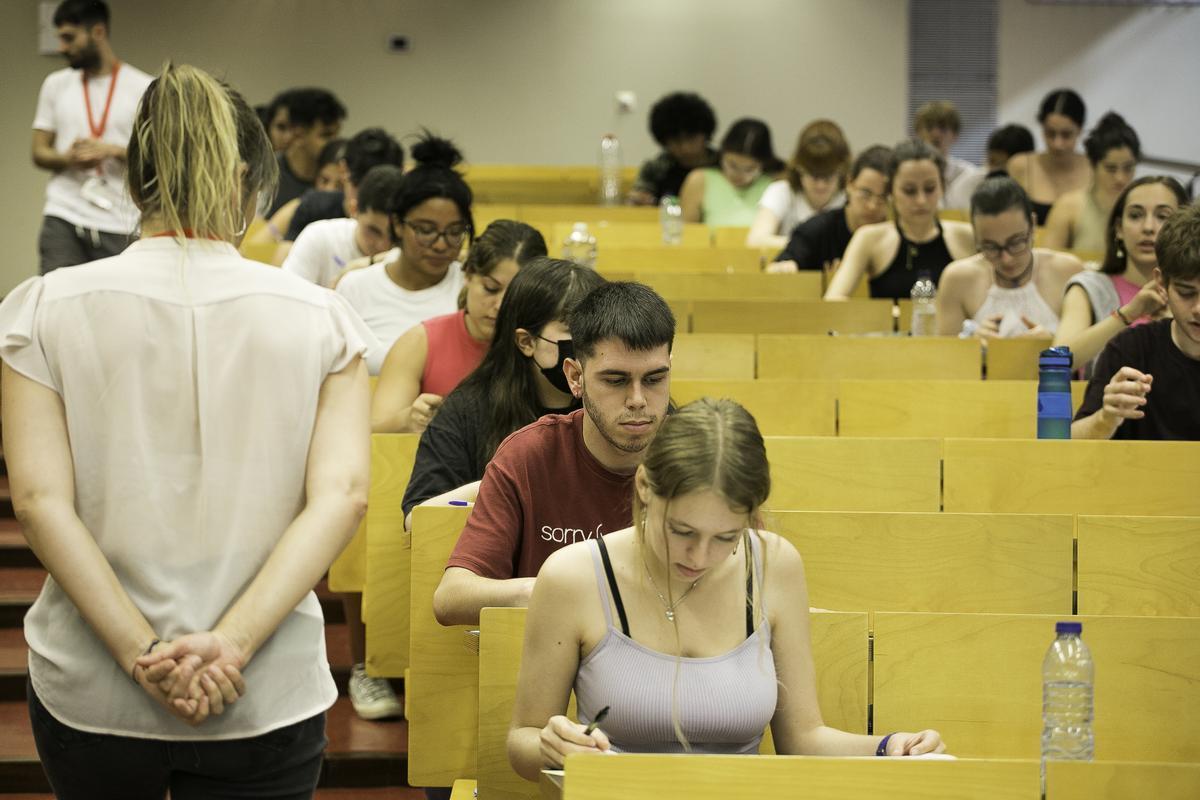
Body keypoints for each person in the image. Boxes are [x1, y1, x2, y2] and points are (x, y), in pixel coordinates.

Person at [0, 63, 370, 799]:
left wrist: (144, 655)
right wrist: (228, 646)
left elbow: (40, 504)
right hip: (260, 687)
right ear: (246, 179)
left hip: (97, 685)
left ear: (133, 179)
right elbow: (344, 497)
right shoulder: (322, 318)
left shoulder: (43, 305)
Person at [507, 398, 946, 776]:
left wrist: (891, 748)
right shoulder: (573, 576)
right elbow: (520, 742)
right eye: (681, 531)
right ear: (643, 487)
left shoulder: (776, 564)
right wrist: (552, 745)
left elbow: (804, 739)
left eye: (725, 538)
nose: (698, 558)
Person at [431, 282, 675, 627]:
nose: (637, 399)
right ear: (576, 377)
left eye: (653, 379)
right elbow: (451, 597)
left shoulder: (698, 458)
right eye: (616, 380)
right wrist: (552, 591)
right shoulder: (528, 455)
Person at [400, 258, 606, 520]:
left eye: (598, 331)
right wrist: (503, 484)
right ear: (526, 341)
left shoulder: (625, 400)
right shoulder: (469, 408)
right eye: (573, 330)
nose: (590, 345)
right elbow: (416, 518)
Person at [372, 220, 547, 433]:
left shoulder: (547, 346)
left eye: (514, 295)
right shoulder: (420, 342)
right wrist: (409, 419)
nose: (500, 306)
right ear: (468, 275)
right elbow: (376, 430)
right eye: (490, 289)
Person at [32, 0, 154, 274]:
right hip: (64, 213)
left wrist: (111, 151)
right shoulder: (56, 85)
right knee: (57, 299)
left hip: (120, 220)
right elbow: (39, 152)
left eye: (69, 38)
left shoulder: (143, 88)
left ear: (98, 32)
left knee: (116, 307)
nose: (62, 47)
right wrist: (67, 158)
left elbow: (155, 157)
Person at [336, 133, 474, 374]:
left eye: (454, 231)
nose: (441, 245)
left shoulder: (470, 288)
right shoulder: (355, 287)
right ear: (398, 224)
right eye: (426, 230)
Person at [1072, 202, 1200, 440]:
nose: (1198, 309)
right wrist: (1105, 419)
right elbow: (1067, 445)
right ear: (1162, 283)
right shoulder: (1130, 350)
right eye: (1186, 292)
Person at [1053, 176, 1188, 371]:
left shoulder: (1194, 294)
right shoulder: (1090, 287)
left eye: (1162, 216)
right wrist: (1128, 314)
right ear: (1118, 229)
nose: (1148, 227)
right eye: (1135, 215)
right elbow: (1057, 363)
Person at [823, 139, 975, 300]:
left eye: (930, 189)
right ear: (891, 192)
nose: (921, 200)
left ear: (942, 188)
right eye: (909, 191)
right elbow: (834, 300)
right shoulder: (868, 239)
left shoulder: (967, 236)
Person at [937, 177, 1082, 338]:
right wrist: (972, 346)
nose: (1007, 259)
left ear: (1033, 225)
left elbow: (1091, 354)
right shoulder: (958, 279)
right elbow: (946, 357)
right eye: (991, 247)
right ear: (976, 237)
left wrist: (1053, 345)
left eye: (1016, 242)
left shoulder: (1067, 271)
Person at [263, 127, 404, 263]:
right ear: (343, 170)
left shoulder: (409, 216)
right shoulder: (314, 209)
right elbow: (283, 263)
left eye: (392, 236)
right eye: (359, 186)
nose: (382, 245)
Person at [768, 145, 892, 275]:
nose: (872, 206)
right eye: (865, 193)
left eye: (883, 197)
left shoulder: (902, 236)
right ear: (849, 184)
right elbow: (775, 268)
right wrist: (784, 268)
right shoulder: (816, 230)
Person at [282, 164, 404, 287]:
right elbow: (289, 292)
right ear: (354, 210)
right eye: (373, 231)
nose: (382, 244)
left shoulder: (407, 257)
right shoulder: (319, 237)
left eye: (393, 236)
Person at [1042, 112, 1140, 253]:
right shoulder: (1068, 207)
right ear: (1093, 165)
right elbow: (1047, 264)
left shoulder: (1145, 210)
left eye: (1128, 168)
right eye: (1110, 168)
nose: (1120, 178)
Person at [747, 119, 849, 250]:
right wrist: (811, 244)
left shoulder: (850, 197)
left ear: (842, 170)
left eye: (828, 176)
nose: (820, 185)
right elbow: (755, 240)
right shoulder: (781, 191)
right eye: (813, 175)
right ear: (799, 168)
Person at [679, 118, 784, 227]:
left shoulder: (774, 185)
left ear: (763, 164)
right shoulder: (699, 180)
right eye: (732, 165)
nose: (739, 174)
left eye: (750, 169)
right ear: (722, 154)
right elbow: (685, 234)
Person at [1007, 89, 1090, 226]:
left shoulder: (1094, 167)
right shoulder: (1020, 166)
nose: (1058, 144)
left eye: (1066, 135)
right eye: (1050, 133)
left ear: (1080, 130)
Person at [266, 87, 346, 216]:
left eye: (337, 134)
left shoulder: (338, 177)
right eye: (326, 135)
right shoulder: (267, 176)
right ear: (299, 133)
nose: (334, 142)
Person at [629, 92, 718, 205]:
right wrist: (641, 199)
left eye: (691, 138)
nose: (685, 148)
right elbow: (638, 198)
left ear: (706, 135)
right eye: (676, 141)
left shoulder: (724, 167)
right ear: (664, 142)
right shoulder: (655, 169)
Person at [913, 100, 986, 211]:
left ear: (955, 135)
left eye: (943, 128)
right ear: (918, 132)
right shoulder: (907, 174)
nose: (936, 134)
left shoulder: (968, 174)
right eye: (929, 127)